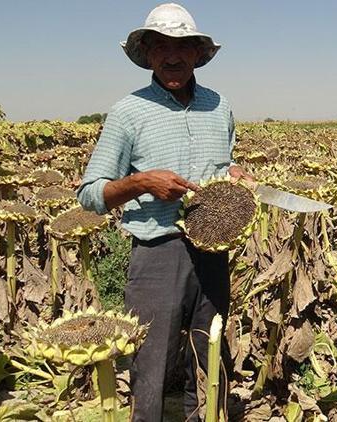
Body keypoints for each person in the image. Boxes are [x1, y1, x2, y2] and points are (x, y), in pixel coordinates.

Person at [77, 3, 250, 420]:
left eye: (181, 47)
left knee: (209, 355)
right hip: (157, 253)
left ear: (196, 52)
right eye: (160, 46)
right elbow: (90, 193)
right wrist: (140, 183)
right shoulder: (127, 113)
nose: (172, 56)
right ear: (147, 53)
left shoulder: (219, 105)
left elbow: (222, 165)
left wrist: (235, 174)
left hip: (213, 252)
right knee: (150, 364)